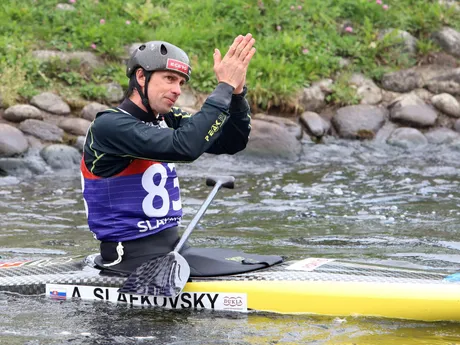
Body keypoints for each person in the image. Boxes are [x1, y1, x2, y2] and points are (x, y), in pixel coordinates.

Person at [80, 34, 274, 275]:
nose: (177, 90)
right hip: (126, 261)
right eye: (170, 79)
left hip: (174, 250)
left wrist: (236, 95)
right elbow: (186, 147)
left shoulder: (166, 119)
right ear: (141, 77)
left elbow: (231, 142)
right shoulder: (110, 126)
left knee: (265, 262)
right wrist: (222, 88)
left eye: (181, 83)